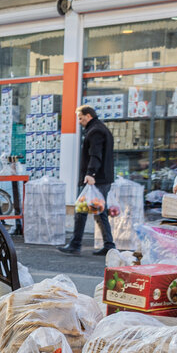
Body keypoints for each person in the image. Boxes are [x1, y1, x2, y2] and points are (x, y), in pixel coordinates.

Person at [60, 105, 116, 256]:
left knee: (81, 209)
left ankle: (76, 243)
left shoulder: (95, 131)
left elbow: (95, 154)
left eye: (80, 117)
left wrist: (90, 173)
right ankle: (108, 245)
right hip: (103, 178)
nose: (79, 121)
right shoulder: (101, 128)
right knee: (99, 211)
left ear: (88, 116)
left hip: (96, 178)